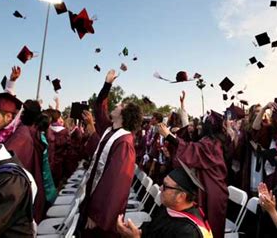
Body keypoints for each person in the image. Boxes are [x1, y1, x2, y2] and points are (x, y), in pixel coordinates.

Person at [78, 70, 143, 237]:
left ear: (124, 115)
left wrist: (97, 214)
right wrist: (107, 84)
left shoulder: (125, 143)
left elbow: (114, 184)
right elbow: (100, 107)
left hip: (101, 213)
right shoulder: (110, 130)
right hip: (92, 200)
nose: (117, 105)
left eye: (121, 105)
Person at [159, 110, 228, 238]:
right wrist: (183, 108)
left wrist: (169, 136)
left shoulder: (212, 144)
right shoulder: (209, 140)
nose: (198, 127)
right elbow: (189, 143)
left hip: (213, 191)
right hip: (210, 187)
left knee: (212, 227)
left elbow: (191, 149)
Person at [116, 164, 213, 238]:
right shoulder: (169, 207)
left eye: (165, 186)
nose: (160, 188)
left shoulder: (189, 232)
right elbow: (151, 230)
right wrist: (136, 231)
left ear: (181, 196)